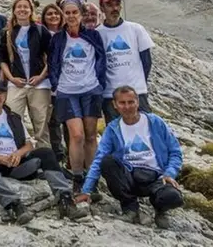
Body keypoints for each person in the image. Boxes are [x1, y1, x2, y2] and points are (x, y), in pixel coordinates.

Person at [0, 80, 82, 224]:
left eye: (0, 93)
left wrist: (18, 154)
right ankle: (14, 205)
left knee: (46, 153)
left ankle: (65, 200)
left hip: (16, 164)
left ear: (5, 96)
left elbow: (28, 145)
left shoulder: (13, 117)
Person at [77, 86, 183, 229]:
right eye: (122, 103)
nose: (127, 107)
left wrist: (169, 173)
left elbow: (175, 152)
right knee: (107, 162)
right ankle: (130, 208)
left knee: (173, 197)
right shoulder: (113, 129)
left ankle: (160, 210)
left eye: (131, 102)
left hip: (157, 177)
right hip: (129, 177)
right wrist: (86, 190)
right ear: (115, 105)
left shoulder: (155, 122)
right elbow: (98, 159)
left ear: (137, 102)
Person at [48, 0, 106, 192]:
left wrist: (100, 83)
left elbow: (101, 59)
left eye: (75, 12)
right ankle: (78, 177)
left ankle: (92, 180)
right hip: (67, 91)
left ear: (81, 15)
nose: (71, 16)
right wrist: (56, 84)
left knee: (90, 136)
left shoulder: (92, 35)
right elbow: (53, 62)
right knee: (77, 135)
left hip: (90, 89)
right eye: (68, 13)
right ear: (63, 15)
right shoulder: (57, 38)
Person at [0, 0, 53, 149]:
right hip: (17, 82)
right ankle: (19, 150)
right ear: (14, 11)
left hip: (40, 84)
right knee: (12, 116)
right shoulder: (8, 33)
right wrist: (11, 78)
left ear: (31, 11)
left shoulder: (40, 30)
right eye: (19, 7)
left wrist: (42, 76)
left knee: (40, 123)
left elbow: (51, 57)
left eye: (26, 7)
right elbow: (2, 59)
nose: (22, 10)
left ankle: (45, 155)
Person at [97, 0, 154, 123]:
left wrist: (139, 82)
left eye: (117, 4)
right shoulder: (97, 33)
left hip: (137, 92)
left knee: (145, 130)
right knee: (117, 134)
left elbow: (147, 61)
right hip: (110, 94)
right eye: (110, 5)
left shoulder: (136, 29)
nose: (115, 8)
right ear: (102, 8)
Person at [41, 3, 69, 163]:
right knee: (52, 120)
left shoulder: (67, 34)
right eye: (49, 14)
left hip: (67, 82)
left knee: (67, 119)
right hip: (47, 83)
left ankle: (71, 155)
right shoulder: (41, 34)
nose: (53, 17)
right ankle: (57, 153)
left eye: (56, 14)